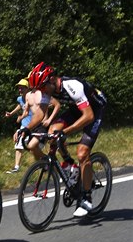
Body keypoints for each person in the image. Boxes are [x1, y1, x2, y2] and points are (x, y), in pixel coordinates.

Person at [27, 62, 107, 217]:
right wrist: (26, 129)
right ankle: (71, 166)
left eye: (42, 87)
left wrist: (66, 131)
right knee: (52, 131)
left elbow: (88, 116)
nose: (41, 91)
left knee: (83, 153)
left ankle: (86, 197)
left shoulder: (72, 86)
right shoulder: (47, 89)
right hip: (77, 110)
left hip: (95, 110)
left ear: (51, 79)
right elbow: (41, 113)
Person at [3, 78, 31, 173]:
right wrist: (11, 113)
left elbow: (26, 110)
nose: (20, 90)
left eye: (22, 88)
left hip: (33, 125)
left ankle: (44, 163)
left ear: (27, 88)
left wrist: (21, 116)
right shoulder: (20, 98)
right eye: (19, 88)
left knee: (33, 146)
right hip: (24, 125)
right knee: (19, 145)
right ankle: (16, 167)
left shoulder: (31, 97)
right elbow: (20, 105)